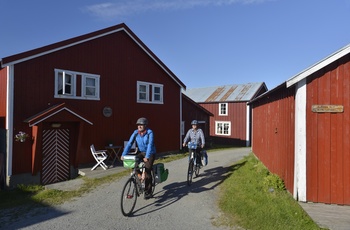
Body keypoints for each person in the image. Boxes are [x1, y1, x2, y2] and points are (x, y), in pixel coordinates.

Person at [121, 117, 156, 199]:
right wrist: (123, 154)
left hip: (150, 153)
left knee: (147, 171)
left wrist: (147, 157)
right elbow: (129, 143)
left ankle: (148, 191)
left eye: (141, 125)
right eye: (138, 125)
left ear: (145, 125)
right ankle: (139, 176)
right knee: (134, 165)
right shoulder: (136, 133)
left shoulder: (149, 133)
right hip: (141, 152)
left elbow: (150, 145)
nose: (139, 126)